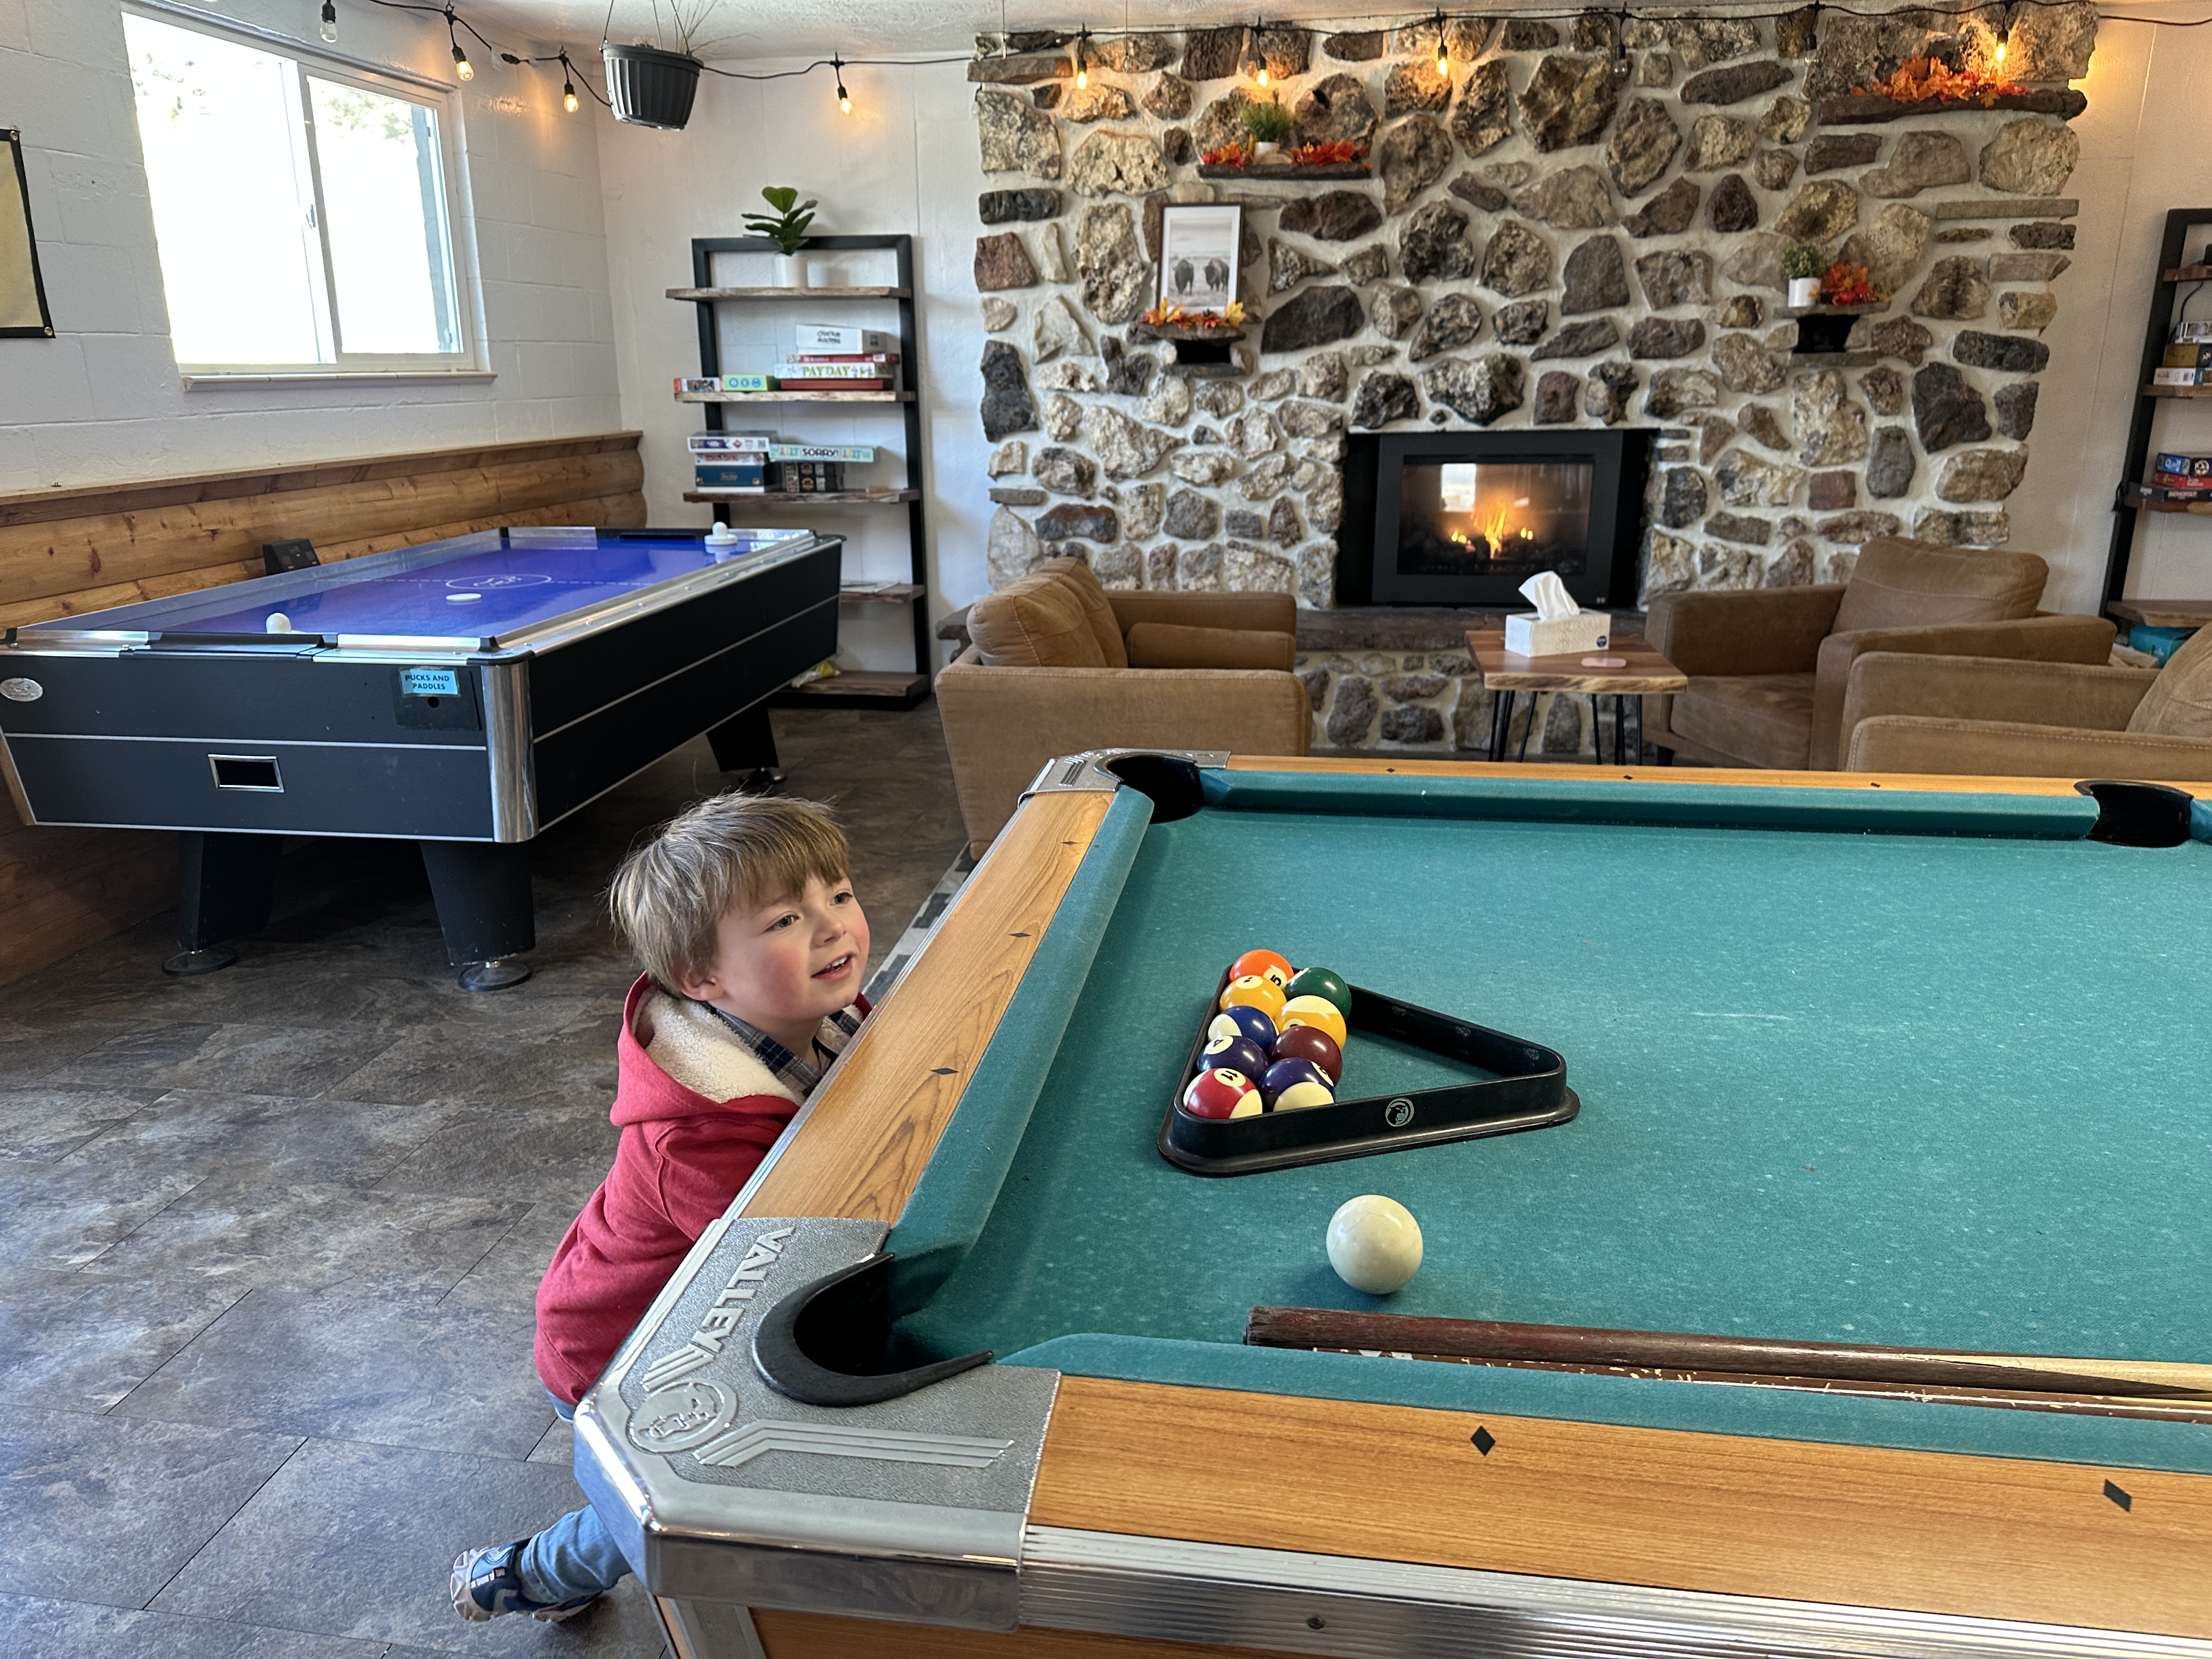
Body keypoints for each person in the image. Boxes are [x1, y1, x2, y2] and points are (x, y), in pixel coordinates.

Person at [450, 793, 870, 1623]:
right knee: (675, 1495)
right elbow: (794, 1267)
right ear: (702, 978)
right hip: (618, 1349)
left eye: (840, 894)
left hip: (669, 1313)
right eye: (786, 919)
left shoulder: (818, 1011)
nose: (833, 928)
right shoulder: (700, 1136)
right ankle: (530, 1575)